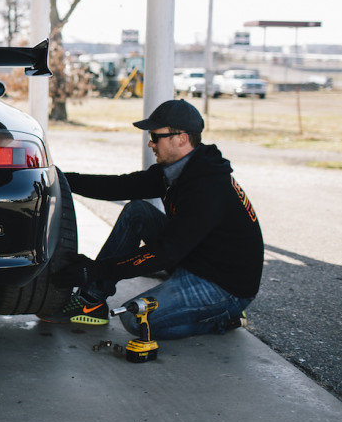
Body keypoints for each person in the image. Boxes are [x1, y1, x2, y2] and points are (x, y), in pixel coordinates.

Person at [41, 99, 263, 340]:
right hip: (197, 258)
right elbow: (120, 186)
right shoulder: (181, 170)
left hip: (223, 286)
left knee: (135, 319)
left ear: (182, 138)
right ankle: (91, 300)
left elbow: (163, 254)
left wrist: (94, 270)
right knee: (137, 211)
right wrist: (59, 179)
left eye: (156, 136)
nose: (150, 143)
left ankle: (222, 318)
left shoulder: (207, 188)